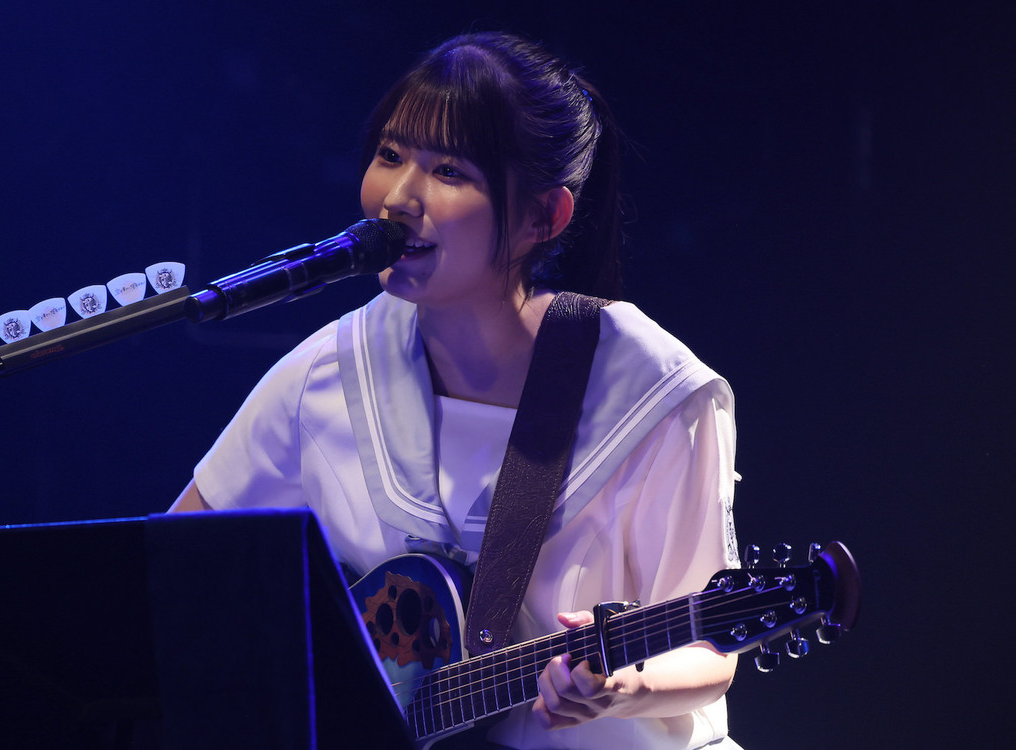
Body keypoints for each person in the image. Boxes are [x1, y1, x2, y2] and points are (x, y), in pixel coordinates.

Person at [171, 31, 742, 750]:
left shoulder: (650, 390)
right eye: (389, 155)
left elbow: (711, 648)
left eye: (447, 170)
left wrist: (621, 687)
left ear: (543, 216)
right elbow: (175, 574)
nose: (397, 198)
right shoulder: (332, 369)